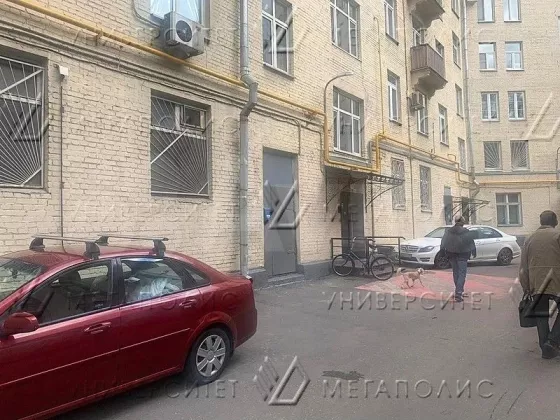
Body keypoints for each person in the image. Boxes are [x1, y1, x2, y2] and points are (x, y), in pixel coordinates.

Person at [519, 210, 560, 359]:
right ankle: (553, 341)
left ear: (541, 222)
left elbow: (523, 266)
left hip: (536, 283)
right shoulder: (557, 236)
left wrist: (526, 287)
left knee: (541, 314)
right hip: (557, 281)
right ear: (555, 222)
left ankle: (545, 348)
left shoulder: (529, 238)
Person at [440, 215, 476, 303]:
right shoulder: (466, 231)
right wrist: (474, 251)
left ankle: (458, 291)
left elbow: (443, 242)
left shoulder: (449, 231)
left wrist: (442, 251)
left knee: (456, 273)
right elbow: (471, 242)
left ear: (455, 222)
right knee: (462, 274)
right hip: (463, 254)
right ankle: (459, 293)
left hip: (452, 254)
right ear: (462, 222)